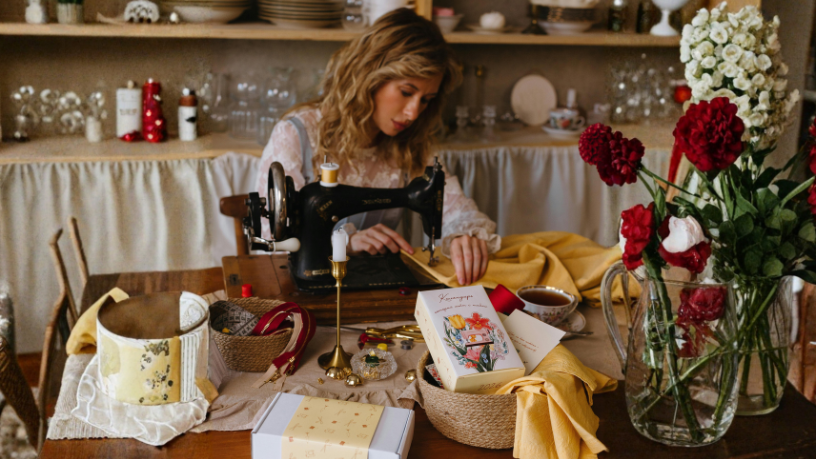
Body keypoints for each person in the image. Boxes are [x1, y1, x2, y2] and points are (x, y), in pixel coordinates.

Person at [257, 8, 500, 286]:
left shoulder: (412, 144)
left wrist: (465, 236)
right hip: (308, 293)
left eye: (426, 100)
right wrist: (344, 243)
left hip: (371, 288)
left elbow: (454, 207)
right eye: (406, 92)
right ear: (370, 76)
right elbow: (270, 244)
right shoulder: (296, 134)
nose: (413, 113)